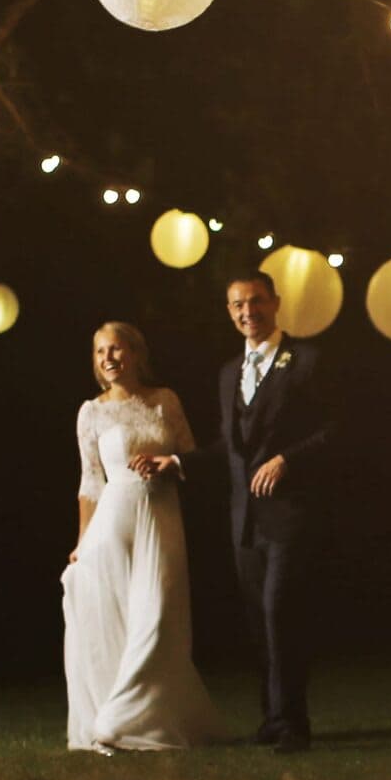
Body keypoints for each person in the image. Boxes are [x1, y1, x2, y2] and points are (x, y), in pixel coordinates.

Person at [137, 272, 336, 752]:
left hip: (291, 514)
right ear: (229, 312)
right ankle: (272, 718)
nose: (249, 312)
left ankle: (293, 724)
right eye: (238, 305)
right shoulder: (229, 372)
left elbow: (337, 431)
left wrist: (288, 460)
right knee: (257, 620)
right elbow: (231, 445)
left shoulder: (307, 361)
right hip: (243, 518)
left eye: (257, 302)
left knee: (280, 613)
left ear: (275, 303)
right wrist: (179, 462)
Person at [62, 322, 224, 752]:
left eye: (116, 349)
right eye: (99, 352)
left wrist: (169, 463)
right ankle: (113, 719)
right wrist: (82, 541)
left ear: (135, 354)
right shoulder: (91, 412)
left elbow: (189, 453)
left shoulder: (164, 400)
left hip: (162, 518)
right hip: (113, 524)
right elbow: (89, 481)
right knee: (121, 620)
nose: (108, 359)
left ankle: (133, 718)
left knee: (159, 618)